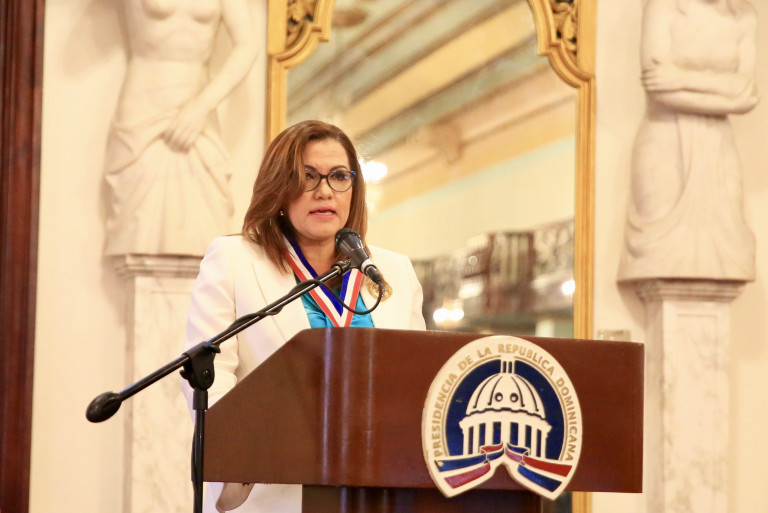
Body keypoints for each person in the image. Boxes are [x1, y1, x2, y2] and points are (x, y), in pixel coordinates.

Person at [182, 120, 427, 512]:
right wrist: (245, 459)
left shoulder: (393, 270)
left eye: (339, 176)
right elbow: (215, 376)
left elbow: (416, 385)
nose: (324, 191)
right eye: (308, 176)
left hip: (375, 490)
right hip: (275, 489)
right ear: (280, 188)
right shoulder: (234, 260)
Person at [618, 0, 758, 281]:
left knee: (728, 252)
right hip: (666, 140)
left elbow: (747, 96)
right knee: (661, 257)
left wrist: (680, 77)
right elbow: (659, 91)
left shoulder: (744, 15)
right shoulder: (662, 6)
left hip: (719, 144)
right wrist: (726, 89)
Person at [104, 0, 258, 256]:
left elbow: (247, 45)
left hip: (198, 110)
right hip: (144, 104)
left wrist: (202, 106)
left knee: (206, 227)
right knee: (138, 228)